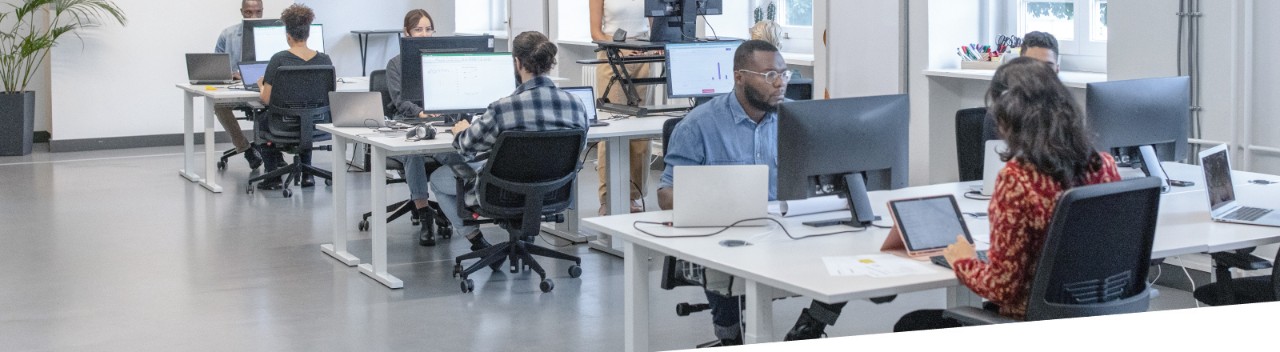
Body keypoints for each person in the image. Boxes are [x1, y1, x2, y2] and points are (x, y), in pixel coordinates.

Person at [893, 56, 1122, 331]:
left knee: (911, 325)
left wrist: (963, 260)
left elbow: (1002, 288)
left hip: (1028, 324)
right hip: (1094, 318)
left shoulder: (1017, 180)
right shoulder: (1104, 166)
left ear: (1008, 116)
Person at [657, 40, 844, 346]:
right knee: (721, 259)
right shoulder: (699, 126)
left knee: (849, 254)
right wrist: (719, 198)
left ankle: (811, 325)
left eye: (784, 73)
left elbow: (828, 175)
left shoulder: (799, 120)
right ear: (739, 77)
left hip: (789, 228)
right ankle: (731, 336)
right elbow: (666, 195)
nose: (781, 82)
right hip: (729, 234)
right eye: (770, 75)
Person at [428, 31, 591, 252]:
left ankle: (476, 240)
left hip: (502, 196)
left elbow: (466, 146)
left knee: (438, 179)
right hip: (553, 193)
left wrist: (461, 130)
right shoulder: (577, 105)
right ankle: (521, 237)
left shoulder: (503, 109)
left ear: (517, 62)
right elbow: (577, 148)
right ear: (549, 63)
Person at [254, 4, 333, 190]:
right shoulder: (325, 60)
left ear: (288, 35)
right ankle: (308, 176)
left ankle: (273, 178)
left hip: (284, 124)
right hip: (317, 123)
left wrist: (260, 85)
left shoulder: (278, 60)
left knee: (261, 120)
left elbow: (265, 99)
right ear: (308, 34)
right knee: (307, 115)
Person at [384, 9, 446, 246]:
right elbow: (400, 100)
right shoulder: (396, 64)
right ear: (407, 33)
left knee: (453, 151)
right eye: (418, 29)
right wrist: (420, 112)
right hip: (408, 122)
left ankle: (461, 203)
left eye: (428, 29)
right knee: (414, 153)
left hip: (439, 121)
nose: (424, 34)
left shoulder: (440, 59)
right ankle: (424, 214)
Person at [590, 0, 653, 215]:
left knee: (642, 129)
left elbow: (655, 24)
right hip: (612, 53)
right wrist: (621, 48)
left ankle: (632, 196)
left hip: (643, 52)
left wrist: (652, 46)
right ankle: (608, 198)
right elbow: (596, 32)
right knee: (613, 127)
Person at [212, 0, 264, 169]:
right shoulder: (228, 35)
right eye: (249, 12)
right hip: (238, 87)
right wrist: (231, 74)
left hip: (266, 88)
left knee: (278, 102)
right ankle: (245, 148)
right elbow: (217, 66)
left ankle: (274, 153)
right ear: (242, 12)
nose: (254, 16)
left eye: (258, 12)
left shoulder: (273, 33)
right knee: (219, 105)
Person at [984, 31, 1059, 141]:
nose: (1040, 73)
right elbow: (995, 157)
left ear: (1057, 70)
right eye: (1031, 65)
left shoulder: (1066, 113)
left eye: (1047, 66)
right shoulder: (1001, 115)